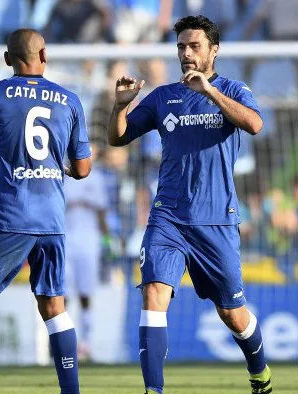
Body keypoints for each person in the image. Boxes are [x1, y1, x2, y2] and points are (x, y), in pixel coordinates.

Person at [106, 15, 270, 394]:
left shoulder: (233, 89)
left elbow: (255, 125)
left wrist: (209, 92)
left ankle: (260, 373)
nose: (186, 53)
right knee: (153, 293)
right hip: (169, 217)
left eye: (194, 46)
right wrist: (120, 107)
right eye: (181, 46)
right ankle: (154, 390)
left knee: (232, 313)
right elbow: (117, 139)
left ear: (214, 50)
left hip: (217, 221)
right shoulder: (164, 97)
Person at [0, 29, 92, 394]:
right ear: (43, 54)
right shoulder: (69, 100)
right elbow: (83, 168)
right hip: (52, 219)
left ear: (6, 58)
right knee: (54, 307)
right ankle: (71, 391)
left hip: (9, 214)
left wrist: (13, 168)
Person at [63, 143, 110, 361]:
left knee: (85, 293)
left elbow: (102, 212)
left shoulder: (97, 178)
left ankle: (86, 343)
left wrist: (108, 241)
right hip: (65, 237)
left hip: (89, 239)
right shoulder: (61, 175)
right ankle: (63, 341)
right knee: (62, 292)